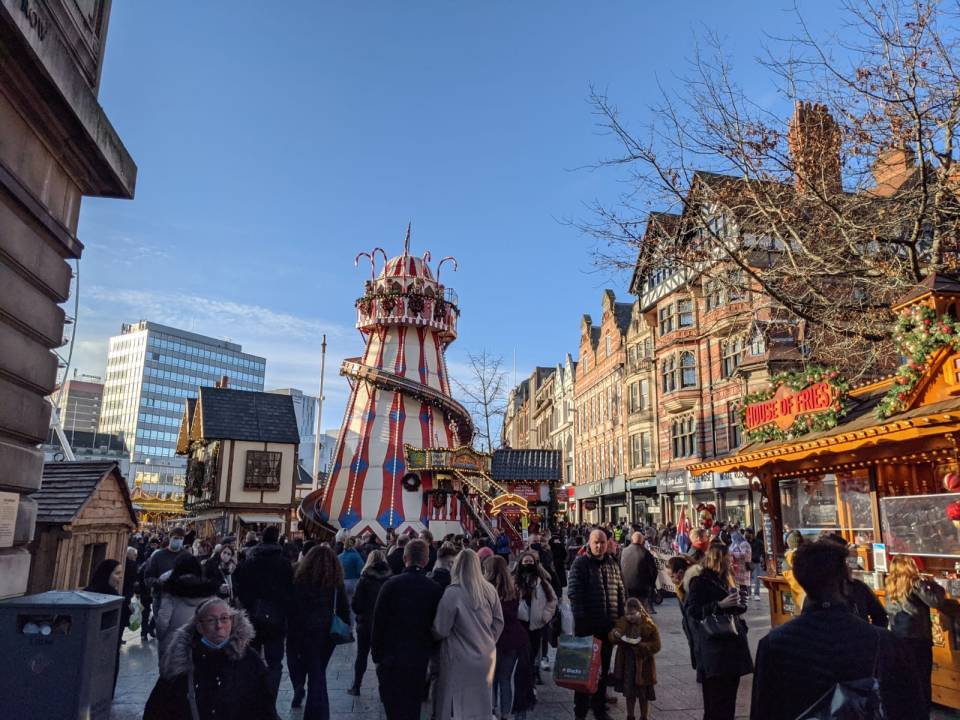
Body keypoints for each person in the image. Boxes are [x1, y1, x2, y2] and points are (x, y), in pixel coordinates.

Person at [751, 541, 924, 720]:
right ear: (844, 583)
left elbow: (763, 710)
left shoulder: (775, 644)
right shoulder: (885, 642)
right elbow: (910, 708)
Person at [143, 598, 279, 720]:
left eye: (224, 618)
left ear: (232, 622)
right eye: (211, 620)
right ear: (200, 627)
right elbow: (157, 709)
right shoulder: (181, 661)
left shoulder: (248, 659)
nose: (219, 626)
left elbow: (265, 708)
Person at [371, 539, 444, 720]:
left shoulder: (390, 585)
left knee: (393, 709)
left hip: (391, 657)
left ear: (405, 558)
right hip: (418, 657)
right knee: (412, 708)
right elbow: (438, 626)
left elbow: (378, 622)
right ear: (426, 560)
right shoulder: (434, 589)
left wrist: (377, 655)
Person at [432, 549, 505, 720]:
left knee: (455, 705)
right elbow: (498, 621)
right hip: (485, 655)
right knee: (481, 704)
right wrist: (488, 640)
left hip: (457, 657)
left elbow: (441, 629)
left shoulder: (452, 593)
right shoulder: (489, 590)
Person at [685, 544, 753, 720]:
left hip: (731, 647)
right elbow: (692, 611)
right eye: (728, 558)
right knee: (715, 701)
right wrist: (719, 605)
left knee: (729, 700)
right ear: (718, 559)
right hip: (715, 649)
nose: (731, 562)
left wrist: (738, 605)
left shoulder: (725, 579)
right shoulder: (700, 581)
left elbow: (731, 609)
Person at [567, 529, 625, 720]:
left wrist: (621, 620)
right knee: (584, 674)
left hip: (608, 628)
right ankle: (580, 712)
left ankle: (599, 709)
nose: (599, 546)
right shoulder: (580, 564)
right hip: (587, 630)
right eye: (596, 542)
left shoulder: (612, 564)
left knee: (602, 672)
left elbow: (620, 592)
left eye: (602, 542)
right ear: (589, 543)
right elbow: (574, 594)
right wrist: (582, 623)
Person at [286, 545, 350, 718]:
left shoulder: (299, 577)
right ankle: (318, 713)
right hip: (325, 633)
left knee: (305, 666)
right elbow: (344, 609)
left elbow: (290, 605)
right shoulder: (334, 581)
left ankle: (300, 686)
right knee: (318, 672)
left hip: (300, 630)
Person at [234, 525, 294, 703]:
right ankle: (270, 701)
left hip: (252, 617)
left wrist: (249, 605)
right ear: (277, 541)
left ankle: (251, 698)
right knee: (275, 663)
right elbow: (290, 591)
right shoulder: (284, 564)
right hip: (276, 619)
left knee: (251, 659)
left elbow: (239, 586)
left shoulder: (250, 561)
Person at [885, 554, 947, 715]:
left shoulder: (890, 584)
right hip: (917, 639)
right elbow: (936, 601)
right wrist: (934, 584)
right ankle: (922, 712)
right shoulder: (915, 583)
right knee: (922, 680)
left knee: (906, 680)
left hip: (897, 638)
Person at [154, 554, 219, 663]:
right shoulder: (208, 592)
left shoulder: (170, 591)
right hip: (200, 644)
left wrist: (161, 637)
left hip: (172, 644)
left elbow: (163, 621)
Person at [485, 555, 527, 720]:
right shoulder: (513, 589)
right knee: (505, 678)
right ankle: (506, 714)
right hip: (514, 639)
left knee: (492, 679)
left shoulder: (487, 590)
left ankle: (492, 710)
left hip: (494, 639)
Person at [608, 598, 661, 720]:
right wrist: (615, 634)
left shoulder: (649, 625)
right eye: (627, 614)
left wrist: (642, 646)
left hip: (644, 665)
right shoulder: (623, 623)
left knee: (643, 695)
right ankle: (630, 715)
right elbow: (615, 632)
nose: (629, 617)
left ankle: (644, 716)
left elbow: (656, 645)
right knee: (629, 694)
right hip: (627, 664)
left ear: (639, 611)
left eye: (632, 614)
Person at [349, 549, 391, 696]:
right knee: (381, 656)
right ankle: (384, 687)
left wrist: (360, 613)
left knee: (361, 655)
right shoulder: (390, 579)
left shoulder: (365, 579)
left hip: (365, 622)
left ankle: (356, 686)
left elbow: (356, 603)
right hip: (383, 624)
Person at [514, 549, 558, 685]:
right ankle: (524, 677)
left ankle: (533, 674)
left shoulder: (542, 582)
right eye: (526, 561)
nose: (528, 563)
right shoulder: (514, 582)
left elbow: (552, 600)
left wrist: (545, 616)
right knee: (522, 652)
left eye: (531, 561)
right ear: (520, 563)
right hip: (519, 623)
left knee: (534, 651)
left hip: (536, 623)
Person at [84, 558, 126, 695]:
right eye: (117, 573)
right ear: (106, 574)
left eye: (121, 573)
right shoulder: (111, 597)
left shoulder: (88, 591)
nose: (120, 577)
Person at [620, 532, 659, 613]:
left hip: (626, 588)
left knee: (628, 612)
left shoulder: (623, 551)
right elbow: (654, 571)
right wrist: (651, 585)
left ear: (631, 540)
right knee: (641, 613)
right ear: (642, 541)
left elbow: (618, 567)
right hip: (641, 589)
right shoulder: (646, 553)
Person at [338, 536, 364, 619]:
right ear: (353, 545)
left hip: (342, 582)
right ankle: (353, 626)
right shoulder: (356, 556)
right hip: (354, 582)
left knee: (343, 605)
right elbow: (361, 570)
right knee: (352, 605)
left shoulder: (339, 557)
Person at [728, 529, 752, 605]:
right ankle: (740, 599)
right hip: (736, 567)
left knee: (743, 584)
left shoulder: (744, 544)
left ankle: (744, 600)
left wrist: (733, 553)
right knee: (738, 584)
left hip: (743, 567)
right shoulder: (734, 543)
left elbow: (744, 555)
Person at [745, 529, 765, 599]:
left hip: (756, 562)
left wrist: (763, 560)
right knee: (748, 579)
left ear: (752, 534)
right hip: (748, 562)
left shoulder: (759, 542)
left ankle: (757, 594)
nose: (746, 535)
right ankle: (749, 593)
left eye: (747, 534)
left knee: (757, 579)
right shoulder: (746, 543)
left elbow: (763, 551)